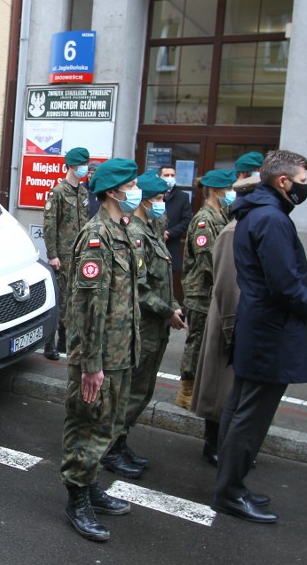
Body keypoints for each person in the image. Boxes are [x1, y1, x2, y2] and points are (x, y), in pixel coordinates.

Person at [213, 150, 307, 523]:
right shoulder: (272, 219)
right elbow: (283, 286)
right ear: (283, 182)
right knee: (251, 416)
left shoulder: (255, 212)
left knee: (239, 407)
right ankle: (230, 492)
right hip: (271, 331)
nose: (304, 188)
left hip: (258, 325)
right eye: (302, 182)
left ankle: (228, 485)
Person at [61, 158, 140, 542]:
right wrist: (92, 364)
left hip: (120, 352)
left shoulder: (122, 230)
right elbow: (88, 308)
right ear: (112, 191)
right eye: (131, 185)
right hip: (98, 357)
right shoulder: (96, 236)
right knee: (87, 426)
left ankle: (91, 486)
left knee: (107, 426)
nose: (135, 192)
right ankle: (77, 500)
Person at [102, 171, 186, 478]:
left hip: (158, 324)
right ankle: (110, 448)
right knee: (131, 391)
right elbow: (139, 288)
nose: (164, 203)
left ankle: (121, 441)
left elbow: (162, 280)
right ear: (146, 201)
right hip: (143, 326)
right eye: (160, 198)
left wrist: (174, 306)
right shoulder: (134, 234)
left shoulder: (153, 228)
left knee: (144, 389)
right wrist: (167, 311)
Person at [190, 178, 257, 466]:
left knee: (225, 384)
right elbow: (212, 266)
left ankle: (223, 441)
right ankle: (212, 442)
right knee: (215, 380)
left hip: (220, 304)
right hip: (210, 302)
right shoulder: (213, 222)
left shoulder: (228, 220)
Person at [175, 169, 236, 410]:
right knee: (197, 341)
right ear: (214, 191)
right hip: (201, 292)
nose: (231, 193)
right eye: (227, 189)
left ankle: (199, 387)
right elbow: (208, 261)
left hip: (211, 292)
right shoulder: (205, 220)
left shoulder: (222, 215)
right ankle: (186, 390)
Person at [43, 147, 91, 360]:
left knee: (73, 300)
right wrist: (52, 254)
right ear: (71, 165)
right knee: (59, 300)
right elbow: (49, 225)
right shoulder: (58, 192)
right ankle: (49, 344)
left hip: (79, 256)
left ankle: (64, 339)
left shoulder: (82, 192)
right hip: (62, 256)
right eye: (82, 164)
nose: (86, 169)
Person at [160, 165, 193, 306]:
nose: (170, 178)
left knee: (169, 284)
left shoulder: (182, 197)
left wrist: (170, 233)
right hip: (154, 243)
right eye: (166, 175)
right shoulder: (154, 194)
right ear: (160, 177)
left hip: (171, 245)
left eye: (172, 175)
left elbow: (186, 220)